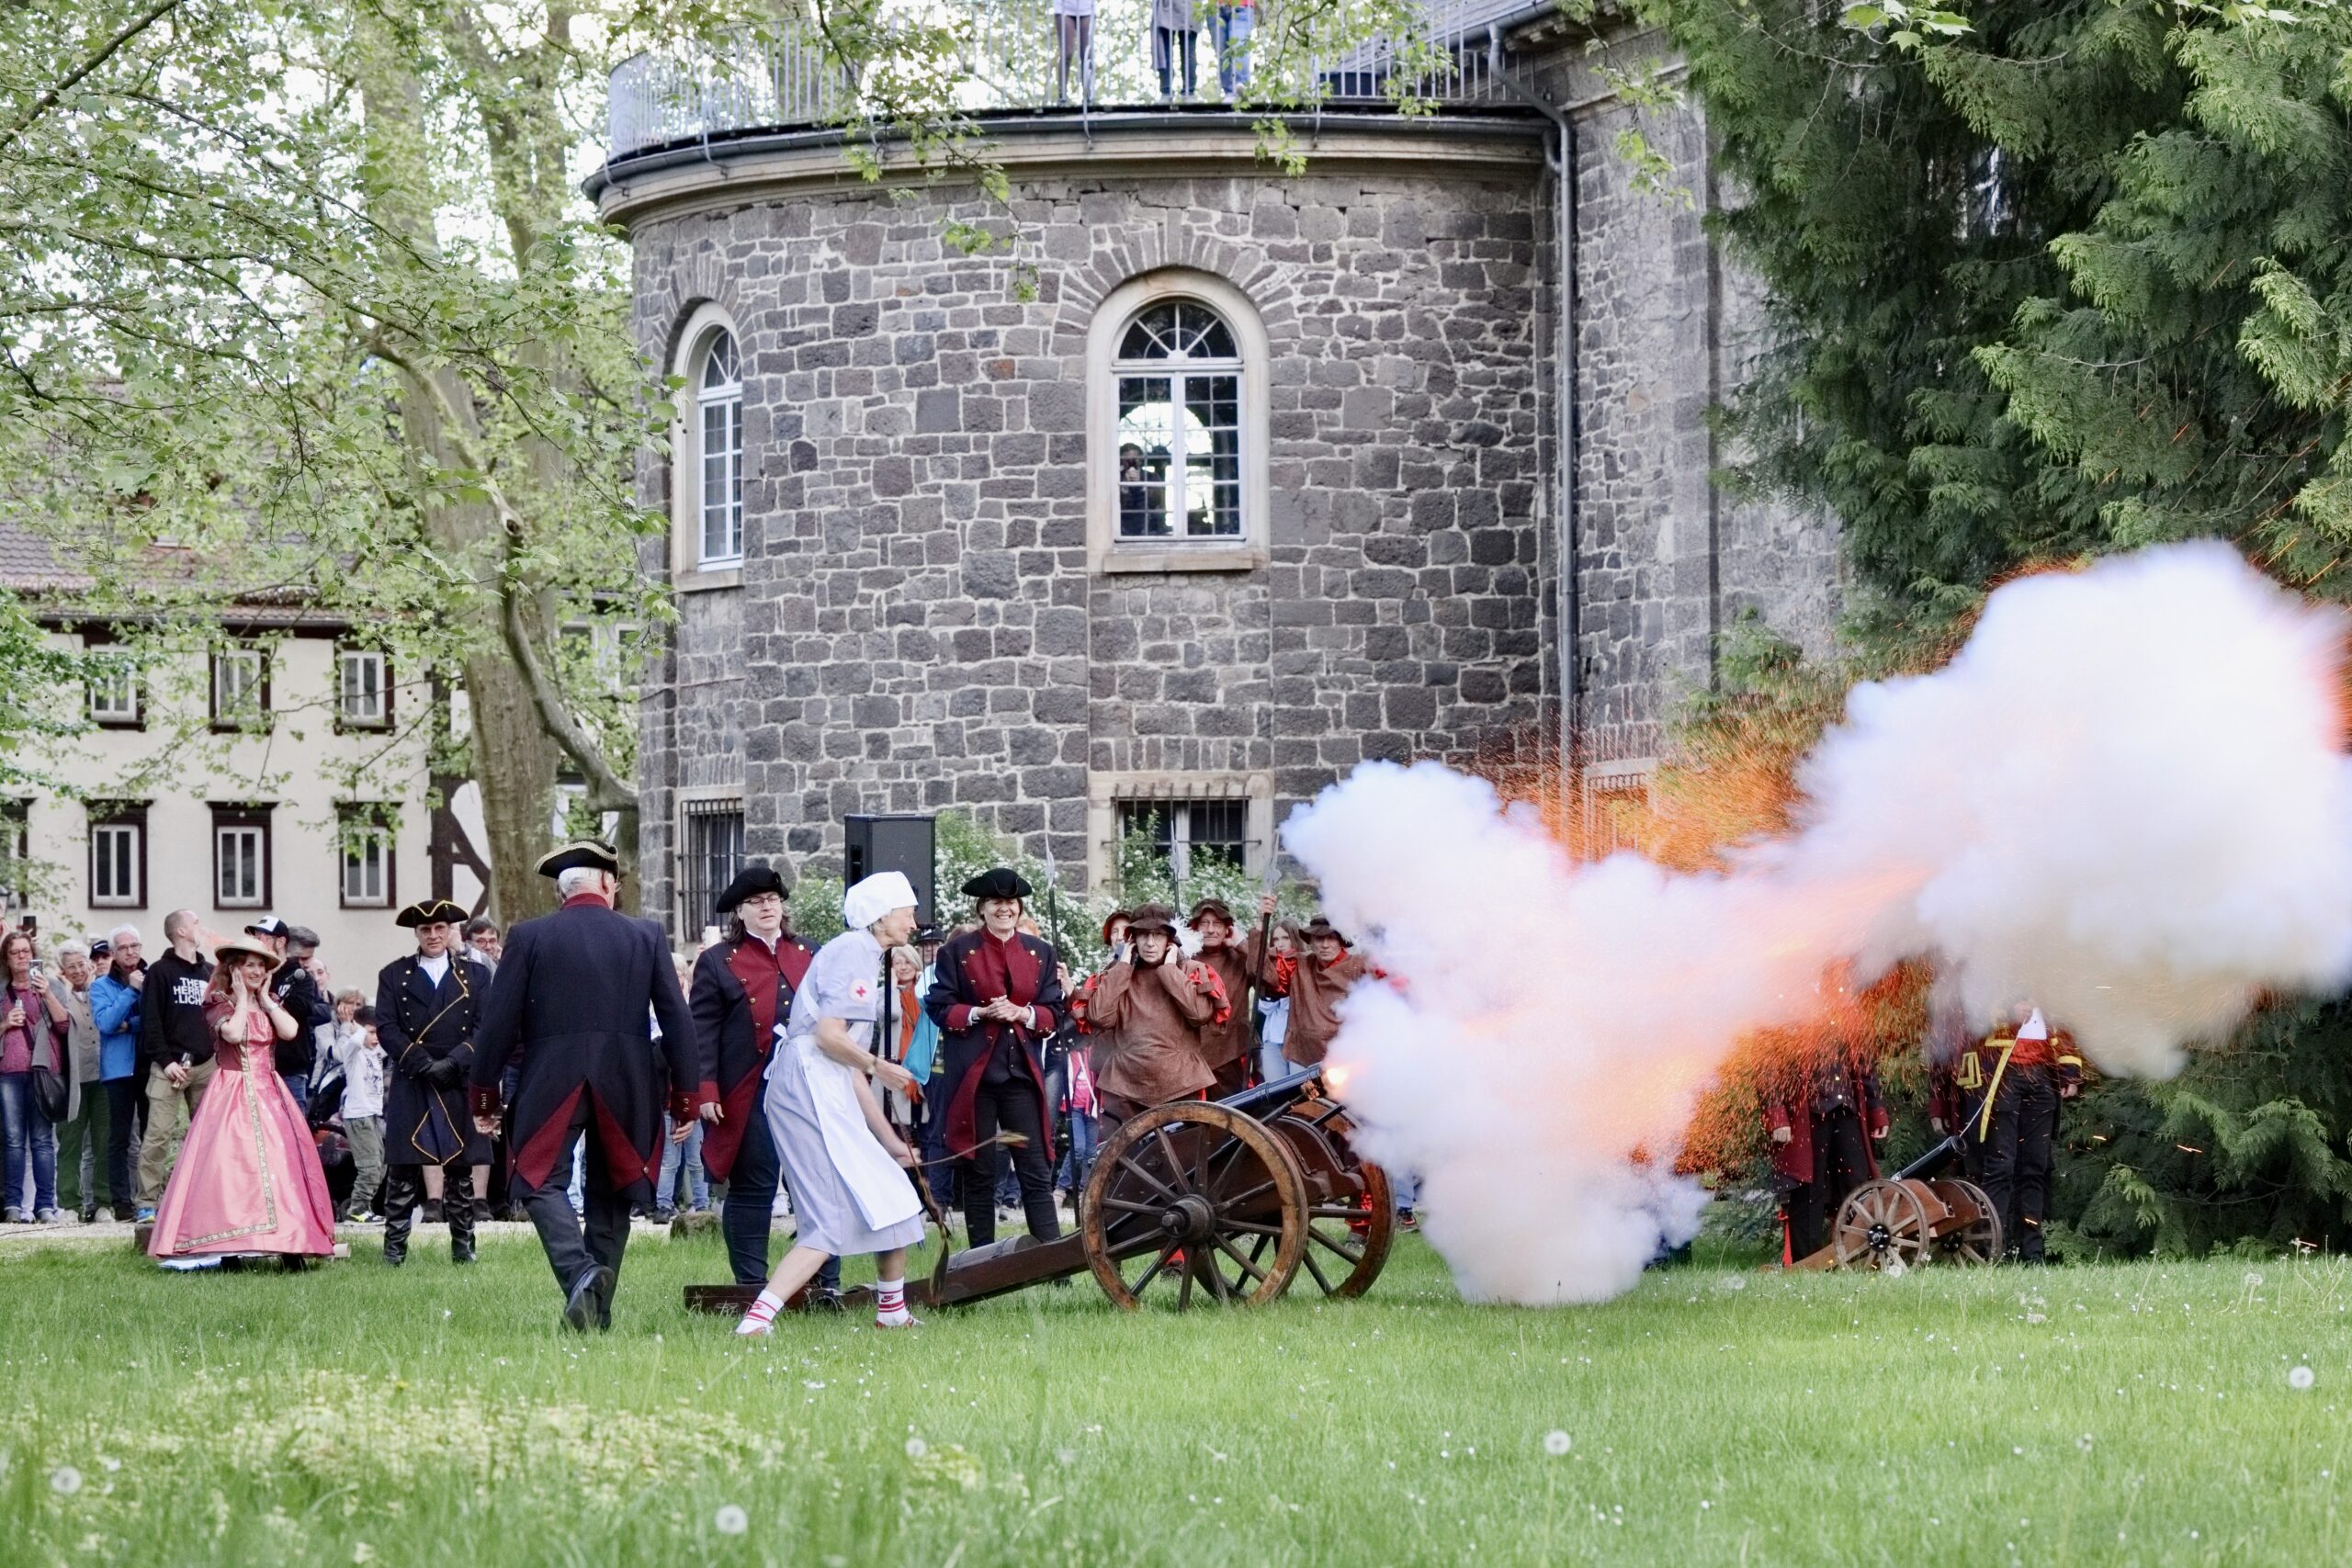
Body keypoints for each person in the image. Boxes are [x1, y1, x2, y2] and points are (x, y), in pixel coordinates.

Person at [469, 840, 707, 1332]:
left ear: (563, 893)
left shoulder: (529, 935)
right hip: (629, 1077)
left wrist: (485, 1097)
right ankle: (592, 1301)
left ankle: (582, 1280)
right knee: (614, 1189)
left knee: (535, 1178)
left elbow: (497, 1025)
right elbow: (678, 1021)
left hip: (549, 1076)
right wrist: (685, 1097)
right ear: (605, 884)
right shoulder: (645, 935)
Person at [736, 872, 929, 1336]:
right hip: (806, 1085)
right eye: (908, 911)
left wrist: (892, 1144)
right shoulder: (850, 952)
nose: (914, 922)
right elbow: (828, 1038)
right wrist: (879, 1065)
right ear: (883, 915)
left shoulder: (866, 956)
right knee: (827, 1220)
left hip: (826, 1082)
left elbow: (849, 1072)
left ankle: (892, 1312)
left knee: (896, 1199)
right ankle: (757, 1322)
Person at [145, 933, 335, 1265]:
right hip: (232, 1090)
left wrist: (264, 997)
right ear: (234, 969)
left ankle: (288, 1246)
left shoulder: (269, 998)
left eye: (262, 966)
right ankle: (230, 1248)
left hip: (269, 1090)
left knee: (281, 1164)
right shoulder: (218, 1002)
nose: (258, 971)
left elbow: (290, 1031)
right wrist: (243, 997)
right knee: (233, 1169)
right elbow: (232, 1033)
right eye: (250, 966)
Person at [688, 863, 831, 1292]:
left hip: (808, 1087)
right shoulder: (717, 961)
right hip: (750, 1090)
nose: (766, 907)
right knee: (756, 1183)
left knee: (817, 1182)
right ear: (740, 912)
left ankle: (827, 1282)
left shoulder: (810, 953)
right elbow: (702, 1032)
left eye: (772, 900)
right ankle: (752, 1283)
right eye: (755, 902)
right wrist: (707, 1090)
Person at [922, 868, 1066, 1248]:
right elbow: (940, 1005)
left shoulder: (1040, 953)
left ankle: (1053, 1259)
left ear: (1019, 909)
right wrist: (980, 1013)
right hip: (975, 1079)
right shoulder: (957, 950)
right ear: (982, 909)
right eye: (996, 903)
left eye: (1011, 903)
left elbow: (1053, 1011)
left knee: (1034, 1167)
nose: (1005, 909)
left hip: (1021, 1077)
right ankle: (983, 1258)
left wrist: (1022, 1013)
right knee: (980, 1171)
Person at [377, 898, 493, 1266]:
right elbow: (386, 1027)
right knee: (403, 1168)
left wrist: (455, 1061)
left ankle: (464, 1248)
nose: (433, 935)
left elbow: (485, 1028)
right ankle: (394, 1251)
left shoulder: (476, 976)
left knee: (461, 1168)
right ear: (417, 933)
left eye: (440, 928)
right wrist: (422, 1062)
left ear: (451, 931)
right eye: (425, 929)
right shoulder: (393, 975)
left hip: (457, 1079)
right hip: (415, 1077)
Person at [1076, 904, 1226, 1136]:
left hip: (1181, 1084)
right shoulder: (1117, 975)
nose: (1150, 943)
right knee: (1120, 1165)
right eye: (1143, 935)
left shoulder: (1191, 970)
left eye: (1158, 935)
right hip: (1125, 1087)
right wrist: (1123, 965)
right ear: (1133, 940)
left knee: (1185, 1163)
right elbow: (1099, 1016)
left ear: (1170, 940)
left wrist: (1169, 971)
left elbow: (1200, 1015)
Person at [1971, 1005, 2082, 1263]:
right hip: (2002, 1072)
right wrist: (2009, 1012)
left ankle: (2032, 1252)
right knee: (2001, 1165)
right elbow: (1972, 1011)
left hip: (2042, 1075)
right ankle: (1994, 1250)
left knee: (2035, 1165)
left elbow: (2065, 1019)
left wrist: (2069, 1072)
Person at [1766, 1055, 1891, 1262]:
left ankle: (1859, 1258)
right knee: (1808, 1191)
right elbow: (1767, 1064)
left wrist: (1875, 1108)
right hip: (1805, 1112)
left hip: (1848, 1110)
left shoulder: (1849, 1020)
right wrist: (1777, 1116)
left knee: (1857, 1184)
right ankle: (1807, 1263)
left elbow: (1863, 1059)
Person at [134, 910, 216, 1222]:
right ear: (181, 931)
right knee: (158, 1135)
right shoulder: (160, 971)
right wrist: (166, 1062)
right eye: (196, 923)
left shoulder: (209, 972)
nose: (200, 927)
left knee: (207, 1136)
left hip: (206, 1066)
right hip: (168, 1066)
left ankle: (202, 1199)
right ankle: (147, 1203)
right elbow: (151, 1022)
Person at [0, 930, 69, 1222]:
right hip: (8, 1073)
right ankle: (13, 1206)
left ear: (33, 954)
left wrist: (48, 994)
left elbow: (64, 1026)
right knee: (13, 1141)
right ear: (6, 958)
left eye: (26, 951)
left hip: (44, 1072)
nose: (21, 957)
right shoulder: (1, 991)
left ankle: (44, 1206)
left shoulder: (50, 985)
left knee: (42, 1141)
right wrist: (5, 1024)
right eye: (15, 952)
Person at [1260, 903, 1363, 1067]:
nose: (1325, 945)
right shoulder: (1299, 963)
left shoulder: (1359, 966)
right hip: (1302, 1051)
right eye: (1320, 938)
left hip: (1346, 1054)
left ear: (1342, 940)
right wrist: (1259, 927)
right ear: (1312, 941)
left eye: (1331, 938)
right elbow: (1267, 976)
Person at [88, 927, 143, 1221]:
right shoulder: (100, 986)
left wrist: (130, 1025)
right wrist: (131, 991)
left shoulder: (154, 976)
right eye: (123, 948)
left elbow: (156, 1019)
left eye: (135, 945)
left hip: (149, 1065)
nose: (131, 952)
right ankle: (122, 1202)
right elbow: (107, 1023)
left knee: (150, 1135)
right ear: (113, 953)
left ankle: (149, 1197)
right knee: (119, 1138)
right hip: (118, 1069)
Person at [247, 916, 328, 1107]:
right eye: (255, 937)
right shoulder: (255, 974)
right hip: (257, 1066)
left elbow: (304, 1010)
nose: (257, 942)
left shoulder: (301, 977)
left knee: (292, 1131)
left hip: (290, 1068)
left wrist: (268, 1001)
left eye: (263, 937)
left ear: (281, 942)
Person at [52, 947, 107, 1222]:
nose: (77, 970)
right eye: (70, 966)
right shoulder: (57, 996)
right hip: (71, 1079)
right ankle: (70, 1204)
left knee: (103, 1140)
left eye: (81, 963)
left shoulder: (102, 991)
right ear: (62, 971)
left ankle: (103, 1203)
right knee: (70, 1143)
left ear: (90, 965)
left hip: (103, 1076)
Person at [1186, 897, 1261, 1097]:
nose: (1210, 930)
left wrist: (1242, 944)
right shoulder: (1184, 960)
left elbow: (1270, 982)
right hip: (1192, 1058)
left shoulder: (1240, 957)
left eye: (1217, 923)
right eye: (1204, 923)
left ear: (1227, 928)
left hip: (1231, 1056)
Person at [654, 953, 710, 1223]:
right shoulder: (659, 1026)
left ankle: (702, 1204)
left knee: (696, 1160)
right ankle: (663, 1205)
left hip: (692, 1102)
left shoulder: (695, 1017)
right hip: (667, 1102)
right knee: (669, 1159)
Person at [336, 1004, 389, 1222]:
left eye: (378, 1032)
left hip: (374, 1116)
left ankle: (362, 1206)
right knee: (369, 1166)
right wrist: (353, 1026)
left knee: (381, 1164)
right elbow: (356, 1041)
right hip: (358, 1117)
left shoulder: (375, 1052)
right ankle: (357, 1208)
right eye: (371, 1032)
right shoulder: (353, 1052)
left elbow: (391, 1039)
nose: (375, 1037)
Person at [1256, 919, 1299, 1080]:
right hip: (1273, 1036)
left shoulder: (1305, 963)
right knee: (1275, 1089)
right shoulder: (1269, 965)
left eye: (1285, 938)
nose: (1280, 944)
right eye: (1276, 939)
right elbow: (1265, 1007)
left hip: (1298, 1039)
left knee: (1301, 1090)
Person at [1151, 0, 1198, 102]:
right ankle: (1178, 93)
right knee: (1168, 50)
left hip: (1184, 7)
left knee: (1185, 51)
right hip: (1168, 7)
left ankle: (1182, 93)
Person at [1050, 0, 1093, 105]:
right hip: (1063, 7)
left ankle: (1088, 96)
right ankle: (1062, 96)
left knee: (1086, 53)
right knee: (1067, 53)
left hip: (1086, 8)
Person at [1211, 0, 1252, 96]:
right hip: (1214, 8)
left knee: (1239, 47)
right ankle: (1229, 92)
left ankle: (1242, 87)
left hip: (1241, 6)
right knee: (1222, 53)